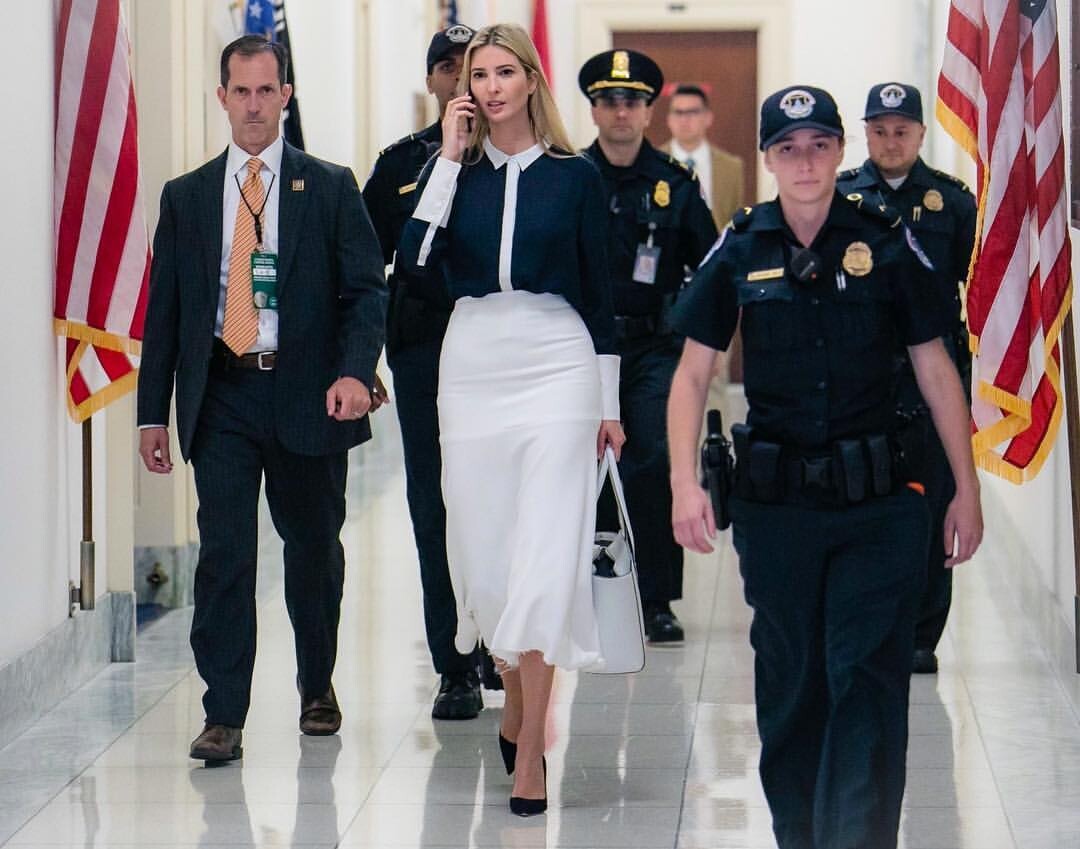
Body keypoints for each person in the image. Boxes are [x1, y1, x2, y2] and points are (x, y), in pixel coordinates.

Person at [666, 85, 983, 849]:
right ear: (769, 159)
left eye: (818, 146)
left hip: (879, 504)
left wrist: (965, 487)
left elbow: (935, 366)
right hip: (777, 509)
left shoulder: (885, 239)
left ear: (841, 152)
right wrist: (681, 481)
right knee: (793, 685)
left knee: (867, 679)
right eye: (788, 148)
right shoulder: (743, 244)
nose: (804, 162)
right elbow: (692, 372)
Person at [137, 35, 387, 762]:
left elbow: (366, 291)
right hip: (223, 394)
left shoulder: (329, 186)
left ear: (286, 96)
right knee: (225, 553)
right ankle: (223, 712)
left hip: (310, 394)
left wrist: (354, 371)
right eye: (240, 92)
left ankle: (317, 685)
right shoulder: (187, 196)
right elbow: (166, 313)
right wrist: (153, 412)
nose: (253, 106)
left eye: (265, 91)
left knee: (313, 550)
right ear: (222, 98)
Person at [396, 23, 624, 816]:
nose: (491, 88)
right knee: (486, 552)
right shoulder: (451, 174)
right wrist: (448, 158)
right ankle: (517, 695)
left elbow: (602, 293)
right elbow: (414, 265)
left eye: (503, 73)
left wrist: (609, 403)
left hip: (557, 359)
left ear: (530, 80)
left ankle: (531, 754)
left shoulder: (575, 178)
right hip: (473, 362)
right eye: (478, 76)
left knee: (546, 550)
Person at [362, 24, 490, 721]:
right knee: (433, 503)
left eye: (475, 66)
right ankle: (454, 663)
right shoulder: (400, 165)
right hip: (422, 353)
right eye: (449, 67)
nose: (461, 78)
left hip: (501, 352)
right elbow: (363, 270)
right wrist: (361, 361)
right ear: (433, 81)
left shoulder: (518, 158)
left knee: (498, 500)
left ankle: (501, 642)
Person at [837, 82, 977, 675]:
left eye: (902, 131)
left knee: (932, 499)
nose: (891, 142)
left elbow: (976, 286)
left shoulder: (954, 203)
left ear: (921, 134)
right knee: (861, 494)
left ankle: (921, 633)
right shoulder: (840, 196)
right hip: (862, 369)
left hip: (933, 373)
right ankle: (867, 620)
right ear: (865, 133)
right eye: (880, 130)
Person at [579, 50, 718, 644]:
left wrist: (695, 340)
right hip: (581, 349)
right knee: (584, 466)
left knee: (652, 461)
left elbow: (710, 268)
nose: (620, 112)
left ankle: (655, 598)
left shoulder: (674, 185)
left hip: (653, 348)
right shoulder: (569, 176)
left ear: (647, 111)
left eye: (631, 101)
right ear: (593, 109)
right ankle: (592, 589)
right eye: (609, 101)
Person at [662, 83, 745, 230]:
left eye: (692, 112)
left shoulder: (731, 167)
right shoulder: (653, 162)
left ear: (708, 118)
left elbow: (736, 221)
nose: (684, 120)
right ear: (669, 119)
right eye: (678, 112)